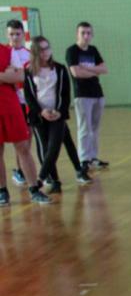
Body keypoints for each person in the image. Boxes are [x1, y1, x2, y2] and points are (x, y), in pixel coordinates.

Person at [24, 36, 91, 193]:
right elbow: (29, 96)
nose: (45, 52)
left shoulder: (60, 69)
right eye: (41, 49)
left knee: (55, 145)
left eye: (47, 48)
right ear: (35, 52)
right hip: (39, 116)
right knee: (46, 147)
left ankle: (40, 179)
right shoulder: (28, 71)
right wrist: (41, 111)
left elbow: (65, 94)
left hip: (57, 114)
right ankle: (55, 180)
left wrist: (59, 111)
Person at [0, 41, 51, 206]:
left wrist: (8, 76)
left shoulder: (8, 51)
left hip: (10, 105)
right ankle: (2, 191)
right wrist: (5, 74)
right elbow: (12, 75)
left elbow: (20, 76)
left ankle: (34, 189)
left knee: (23, 147)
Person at [66, 22, 109, 171]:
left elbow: (104, 69)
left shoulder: (93, 50)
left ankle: (93, 157)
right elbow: (76, 73)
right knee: (85, 128)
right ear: (77, 34)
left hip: (98, 94)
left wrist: (87, 68)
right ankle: (84, 159)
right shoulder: (72, 51)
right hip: (82, 95)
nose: (86, 36)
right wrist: (94, 71)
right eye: (83, 33)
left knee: (95, 128)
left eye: (89, 33)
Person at [6, 20, 37, 186]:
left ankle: (21, 170)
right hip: (11, 102)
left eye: (17, 34)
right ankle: (18, 171)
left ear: (23, 35)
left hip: (27, 101)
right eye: (11, 34)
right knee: (17, 139)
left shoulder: (30, 54)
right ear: (7, 35)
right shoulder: (4, 54)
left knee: (27, 137)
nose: (15, 37)